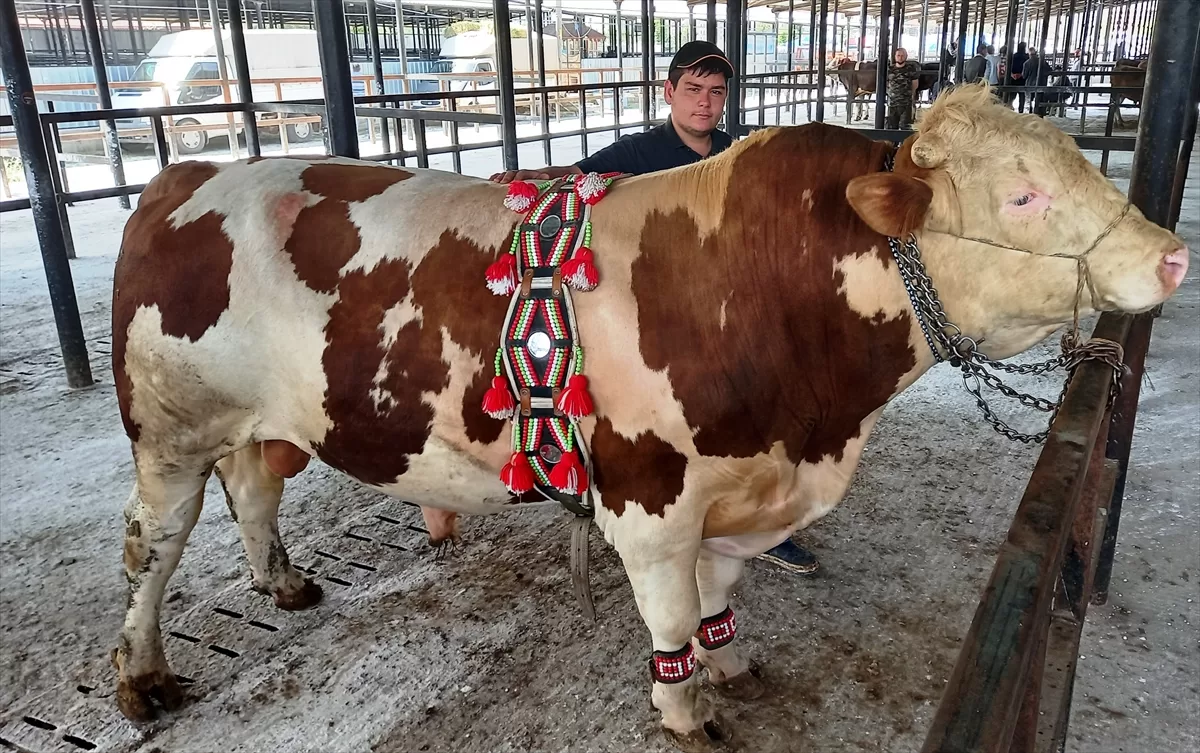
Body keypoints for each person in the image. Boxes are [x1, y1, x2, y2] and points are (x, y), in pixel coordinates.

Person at [491, 40, 821, 576]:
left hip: (734, 312)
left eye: (716, 92)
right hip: (666, 318)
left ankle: (764, 529)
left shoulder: (738, 157)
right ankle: (672, 516)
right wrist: (528, 174)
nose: (704, 103)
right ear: (669, 92)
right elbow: (577, 175)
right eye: (692, 90)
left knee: (763, 418)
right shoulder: (638, 154)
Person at [886, 47, 921, 129]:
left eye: (902, 55)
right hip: (892, 104)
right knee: (891, 128)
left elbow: (915, 84)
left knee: (905, 127)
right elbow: (886, 84)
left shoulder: (911, 69)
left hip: (906, 104)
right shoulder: (890, 70)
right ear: (895, 56)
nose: (900, 57)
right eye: (898, 55)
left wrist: (911, 97)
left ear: (906, 56)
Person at [1007, 42, 1030, 111]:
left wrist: (1012, 74)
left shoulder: (1013, 56)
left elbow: (1009, 66)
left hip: (1013, 78)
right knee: (1022, 96)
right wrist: (1021, 74)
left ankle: (1009, 108)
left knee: (1012, 95)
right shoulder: (1026, 57)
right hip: (1022, 78)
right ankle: (1021, 110)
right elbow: (1027, 68)